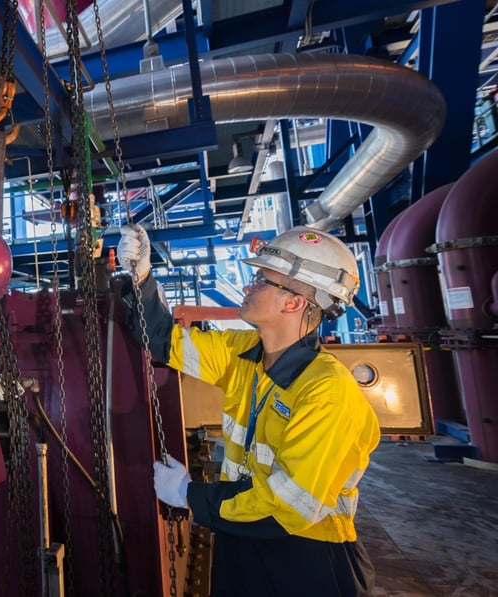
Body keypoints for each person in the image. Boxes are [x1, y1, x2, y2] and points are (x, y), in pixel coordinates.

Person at [117, 225, 380, 596]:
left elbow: (287, 507)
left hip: (306, 556)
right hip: (240, 533)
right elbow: (162, 340)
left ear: (294, 302)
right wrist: (140, 276)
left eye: (261, 280)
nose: (247, 287)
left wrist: (190, 495)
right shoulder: (243, 354)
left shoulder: (327, 392)